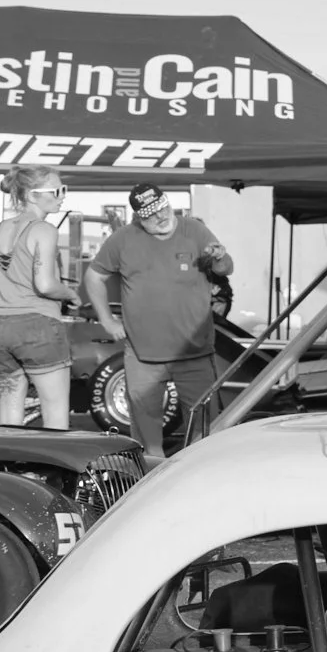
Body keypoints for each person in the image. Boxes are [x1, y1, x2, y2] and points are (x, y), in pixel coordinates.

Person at [84, 184, 232, 464]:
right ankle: (152, 489)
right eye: (151, 214)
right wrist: (106, 319)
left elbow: (225, 270)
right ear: (139, 217)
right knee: (147, 439)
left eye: (163, 208)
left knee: (205, 431)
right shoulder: (123, 239)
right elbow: (94, 277)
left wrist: (220, 258)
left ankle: (200, 480)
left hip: (194, 353)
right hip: (143, 356)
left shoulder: (195, 231)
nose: (161, 217)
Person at [0, 165, 76, 430]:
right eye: (57, 191)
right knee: (55, 410)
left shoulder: (1, 228)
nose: (62, 196)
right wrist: (71, 294)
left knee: (10, 413)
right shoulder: (44, 230)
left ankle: (6, 469)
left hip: (0, 328)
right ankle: (56, 472)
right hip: (38, 326)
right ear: (33, 196)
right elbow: (45, 285)